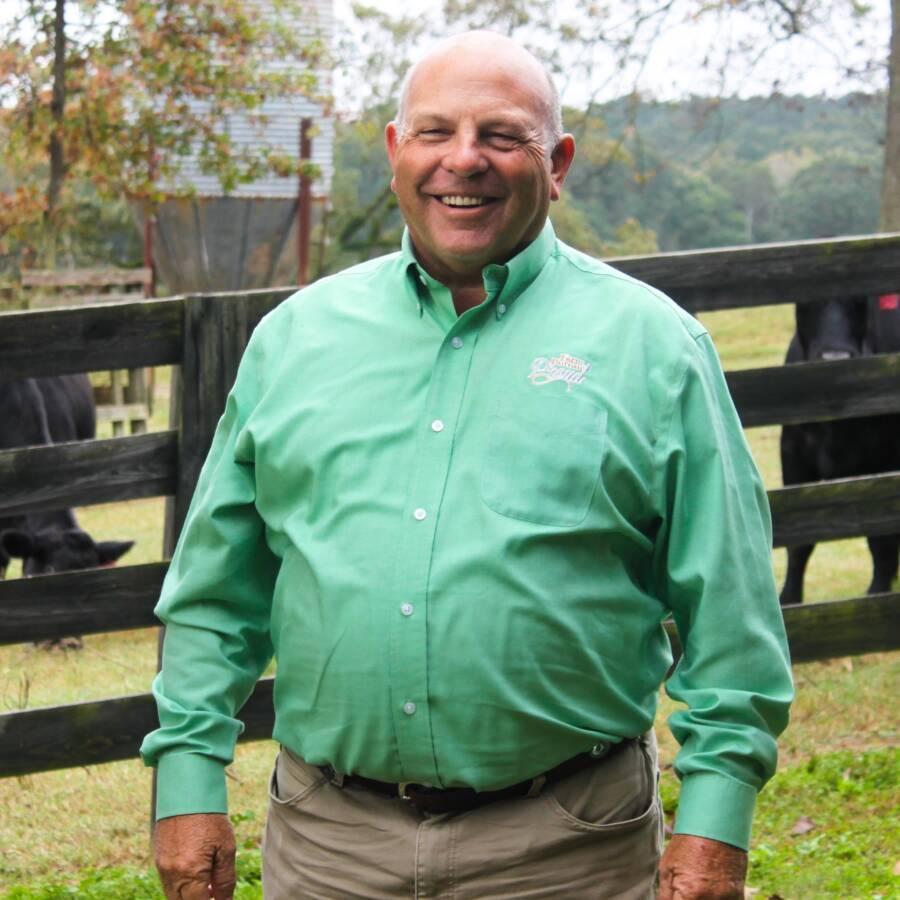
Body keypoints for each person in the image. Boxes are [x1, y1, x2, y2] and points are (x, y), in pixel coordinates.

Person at [141, 30, 793, 900]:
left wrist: (715, 823)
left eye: (501, 135)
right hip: (329, 846)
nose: (464, 160)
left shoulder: (654, 348)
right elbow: (216, 590)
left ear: (556, 161)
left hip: (566, 851)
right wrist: (186, 781)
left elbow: (732, 609)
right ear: (394, 151)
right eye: (436, 132)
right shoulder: (295, 340)